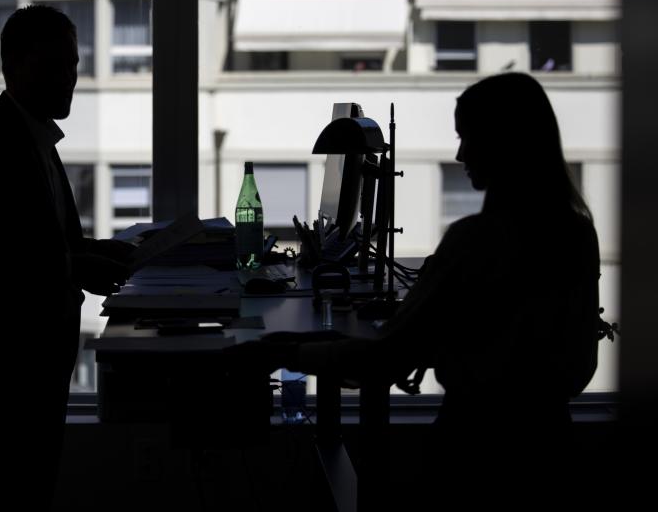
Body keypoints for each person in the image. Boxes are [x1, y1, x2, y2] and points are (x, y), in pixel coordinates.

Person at [246, 72, 601, 511]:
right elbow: (557, 358)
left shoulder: (476, 239)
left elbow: (386, 360)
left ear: (506, 144)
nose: (460, 153)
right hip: (550, 454)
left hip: (472, 456)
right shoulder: (578, 235)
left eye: (470, 138)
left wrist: (287, 352)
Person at [0, 4, 133, 508]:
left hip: (31, 370)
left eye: (74, 66)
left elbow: (47, 244)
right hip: (6, 375)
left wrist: (114, 252)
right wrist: (84, 265)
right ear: (15, 66)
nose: (70, 79)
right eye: (55, 66)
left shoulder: (33, 137)